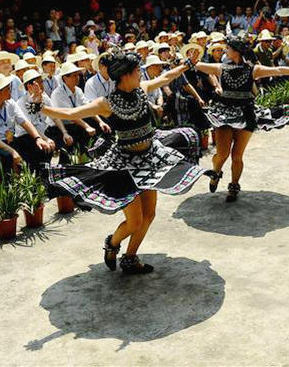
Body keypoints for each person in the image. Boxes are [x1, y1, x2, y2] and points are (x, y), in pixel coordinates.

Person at [36, 50, 209, 275]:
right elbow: (72, 112)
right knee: (135, 221)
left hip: (149, 160)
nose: (141, 74)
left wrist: (186, 64)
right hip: (124, 167)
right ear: (126, 75)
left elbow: (165, 78)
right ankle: (113, 244)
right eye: (138, 71)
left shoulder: (142, 90)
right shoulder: (107, 103)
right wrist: (40, 106)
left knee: (149, 215)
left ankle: (130, 257)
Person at [197, 35, 289, 201]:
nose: (225, 50)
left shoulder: (253, 69)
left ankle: (234, 186)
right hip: (224, 114)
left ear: (236, 51)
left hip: (246, 113)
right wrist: (186, 62)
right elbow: (200, 66)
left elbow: (277, 70)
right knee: (222, 154)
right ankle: (216, 173)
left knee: (237, 156)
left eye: (228, 48)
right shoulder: (221, 67)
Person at [0, 73, 54, 178]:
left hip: (8, 140)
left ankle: (39, 180)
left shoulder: (10, 103)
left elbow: (24, 122)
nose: (10, 91)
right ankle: (8, 190)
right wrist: (11, 150)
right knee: (6, 156)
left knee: (41, 146)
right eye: (7, 89)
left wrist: (38, 138)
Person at [13, 69, 68, 163]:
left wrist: (64, 132)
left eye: (41, 82)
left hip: (43, 132)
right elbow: (30, 127)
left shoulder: (45, 97)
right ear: (29, 86)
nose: (42, 85)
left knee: (62, 147)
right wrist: (45, 139)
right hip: (27, 136)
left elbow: (54, 116)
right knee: (40, 151)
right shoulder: (21, 103)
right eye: (38, 83)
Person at [51, 61, 99, 147]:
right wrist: (87, 126)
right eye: (74, 76)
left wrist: (100, 121)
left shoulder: (78, 90)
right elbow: (70, 115)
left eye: (78, 75)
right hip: (61, 128)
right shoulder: (58, 93)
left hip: (76, 123)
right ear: (65, 78)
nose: (77, 78)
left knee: (97, 123)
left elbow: (88, 107)